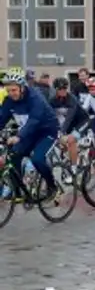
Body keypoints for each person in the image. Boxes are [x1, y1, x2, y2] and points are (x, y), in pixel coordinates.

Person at [0, 70, 61, 201]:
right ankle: (18, 192)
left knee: (37, 159)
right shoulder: (8, 101)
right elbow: (1, 119)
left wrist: (19, 136)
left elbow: (34, 120)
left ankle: (52, 187)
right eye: (8, 90)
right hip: (29, 134)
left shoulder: (35, 98)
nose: (11, 93)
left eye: (14, 90)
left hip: (47, 131)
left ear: (22, 88)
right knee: (12, 156)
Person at [51, 77, 90, 167]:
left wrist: (61, 131)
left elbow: (69, 118)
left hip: (82, 121)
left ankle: (74, 167)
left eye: (65, 88)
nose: (63, 90)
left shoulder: (72, 99)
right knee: (58, 140)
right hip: (70, 124)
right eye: (60, 89)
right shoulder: (52, 101)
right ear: (56, 89)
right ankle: (71, 154)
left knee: (71, 140)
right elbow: (50, 117)